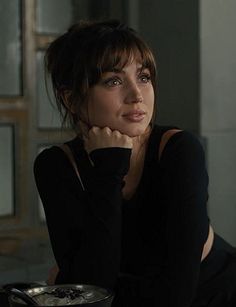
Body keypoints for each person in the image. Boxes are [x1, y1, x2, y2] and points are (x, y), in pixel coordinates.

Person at [34, 20, 236, 307]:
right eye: (113, 81)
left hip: (218, 293)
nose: (137, 95)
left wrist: (75, 283)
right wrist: (109, 167)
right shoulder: (56, 165)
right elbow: (93, 292)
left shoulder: (178, 150)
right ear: (71, 99)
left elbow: (175, 296)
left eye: (143, 77)